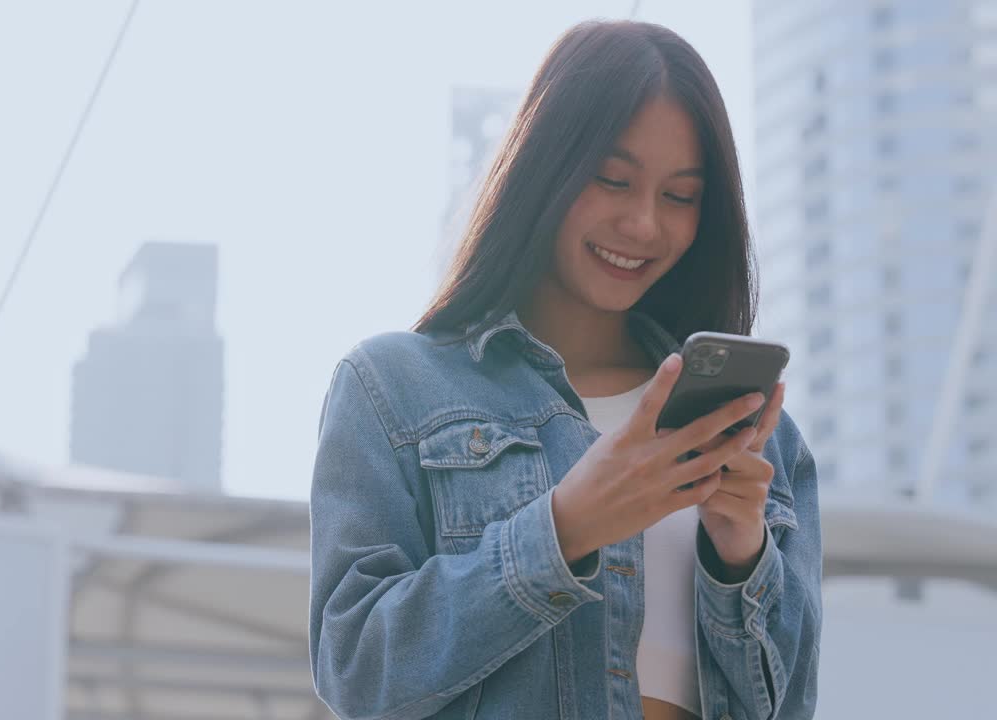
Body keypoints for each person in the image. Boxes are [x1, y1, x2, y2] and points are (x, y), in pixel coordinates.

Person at [308, 19, 822, 720]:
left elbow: (790, 707)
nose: (642, 224)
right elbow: (358, 672)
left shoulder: (763, 437)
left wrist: (740, 561)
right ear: (546, 165)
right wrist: (564, 528)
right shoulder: (393, 388)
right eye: (612, 180)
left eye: (679, 196)